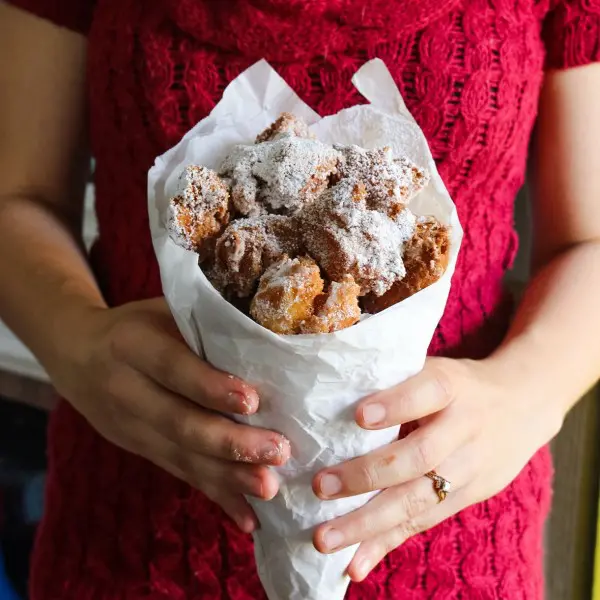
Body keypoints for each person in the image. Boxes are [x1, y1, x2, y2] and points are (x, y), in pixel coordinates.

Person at [1, 0, 599, 597]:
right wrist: (77, 342)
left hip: (454, 546)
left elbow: (590, 241)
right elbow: (17, 197)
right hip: (136, 530)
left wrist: (528, 391)